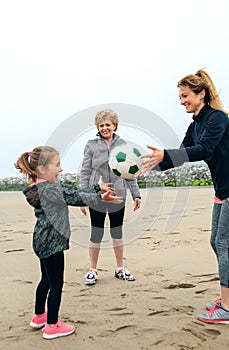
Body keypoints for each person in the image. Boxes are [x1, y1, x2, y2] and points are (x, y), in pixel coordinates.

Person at [139, 68, 229, 324]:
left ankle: (227, 308)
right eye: (179, 97)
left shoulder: (217, 119)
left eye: (185, 95)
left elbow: (203, 149)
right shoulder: (195, 124)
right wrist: (145, 167)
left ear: (201, 93)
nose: (181, 101)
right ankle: (228, 298)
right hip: (222, 190)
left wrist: (165, 155)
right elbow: (181, 154)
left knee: (224, 244)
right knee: (216, 242)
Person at [15, 146, 123, 339]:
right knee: (56, 283)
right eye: (57, 165)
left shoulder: (41, 188)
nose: (61, 169)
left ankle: (39, 316)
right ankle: (52, 326)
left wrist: (97, 188)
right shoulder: (49, 189)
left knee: (46, 279)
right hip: (52, 242)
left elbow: (70, 191)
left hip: (41, 240)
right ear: (42, 169)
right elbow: (73, 196)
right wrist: (99, 197)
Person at [79, 109, 141, 285]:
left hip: (118, 195)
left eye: (108, 124)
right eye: (101, 125)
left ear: (114, 125)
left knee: (117, 232)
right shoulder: (91, 145)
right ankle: (92, 269)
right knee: (96, 233)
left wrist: (136, 194)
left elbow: (130, 171)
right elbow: (85, 172)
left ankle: (120, 267)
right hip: (97, 196)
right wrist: (83, 197)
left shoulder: (123, 145)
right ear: (97, 127)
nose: (105, 128)